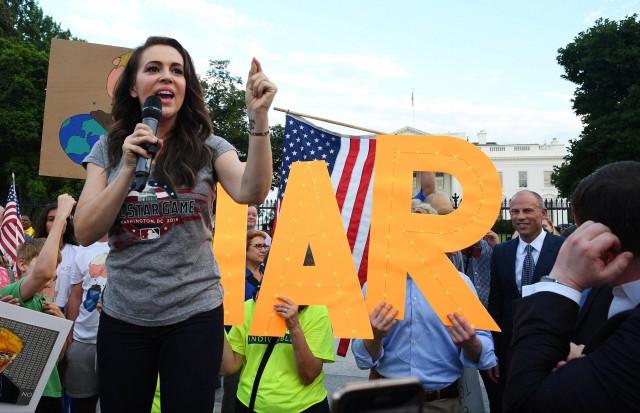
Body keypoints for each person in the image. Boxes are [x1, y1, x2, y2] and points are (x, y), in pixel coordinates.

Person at [73, 36, 276, 413]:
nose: (167, 77)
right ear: (134, 88)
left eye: (177, 70)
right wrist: (129, 167)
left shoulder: (209, 146)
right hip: (124, 315)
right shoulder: (107, 149)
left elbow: (252, 190)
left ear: (186, 87)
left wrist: (259, 120)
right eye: (153, 69)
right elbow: (84, 231)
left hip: (194, 314)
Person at [504, 161, 640, 412]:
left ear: (599, 241)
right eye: (514, 211)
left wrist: (563, 282)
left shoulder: (567, 262)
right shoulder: (611, 290)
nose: (520, 217)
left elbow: (525, 402)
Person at [352, 276, 496, 412]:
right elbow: (361, 358)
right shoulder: (377, 285)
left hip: (441, 403)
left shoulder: (457, 282)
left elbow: (485, 354)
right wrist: (374, 337)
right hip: (388, 402)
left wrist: (471, 342)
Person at [487, 190, 564, 412]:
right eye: (515, 211)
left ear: (543, 213)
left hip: (552, 349)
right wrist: (492, 352)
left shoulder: (562, 248)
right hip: (509, 351)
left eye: (527, 210)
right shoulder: (501, 252)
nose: (520, 216)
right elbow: (496, 305)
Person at [0, 194, 75, 413]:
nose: (52, 273)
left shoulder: (47, 304)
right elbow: (43, 273)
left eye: (55, 267)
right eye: (45, 261)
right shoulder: (14, 293)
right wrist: (61, 216)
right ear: (21, 264)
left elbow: (57, 358)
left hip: (50, 390)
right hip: (18, 388)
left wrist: (62, 324)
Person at [222, 293, 335, 412]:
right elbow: (230, 367)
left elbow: (308, 375)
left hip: (304, 407)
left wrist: (294, 326)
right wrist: (216, 318)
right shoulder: (249, 308)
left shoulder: (316, 312)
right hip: (249, 403)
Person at [221, 230, 268, 413]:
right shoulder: (234, 279)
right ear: (245, 250)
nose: (263, 250)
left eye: (264, 246)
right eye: (258, 246)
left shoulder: (269, 275)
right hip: (239, 343)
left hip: (262, 343)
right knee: (233, 391)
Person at [63, 234, 109, 413]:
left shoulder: (131, 242)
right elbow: (75, 295)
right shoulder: (82, 250)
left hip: (119, 339)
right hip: (83, 340)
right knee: (81, 402)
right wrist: (70, 334)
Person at [35, 201, 79, 311]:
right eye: (51, 219)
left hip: (64, 312)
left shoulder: (78, 253)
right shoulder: (32, 250)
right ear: (44, 223)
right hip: (33, 307)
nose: (57, 222)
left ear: (67, 223)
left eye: (61, 218)